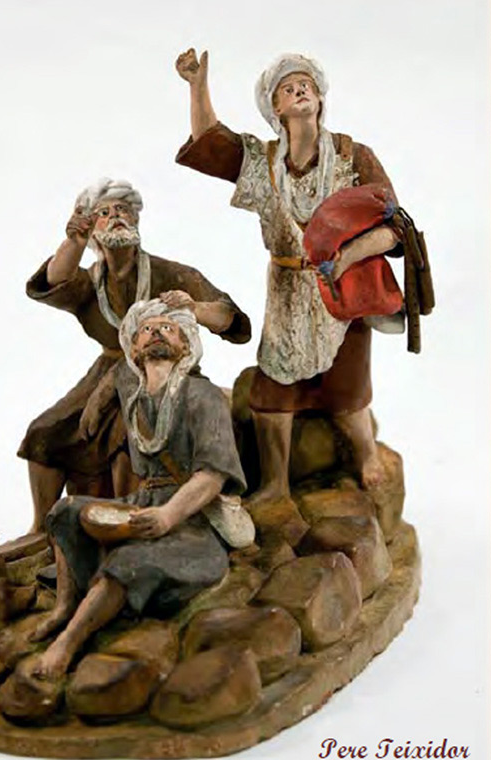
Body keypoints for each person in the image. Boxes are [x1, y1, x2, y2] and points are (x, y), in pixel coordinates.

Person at [175, 49, 402, 543]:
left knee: (349, 387)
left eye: (306, 85)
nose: (299, 90)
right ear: (275, 107)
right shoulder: (264, 162)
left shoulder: (352, 157)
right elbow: (210, 142)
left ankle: (366, 453)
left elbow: (394, 227)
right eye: (287, 88)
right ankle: (275, 483)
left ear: (320, 97)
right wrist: (197, 85)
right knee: (271, 390)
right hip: (285, 289)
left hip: (341, 291)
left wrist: (346, 256)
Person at [27, 298, 247, 679]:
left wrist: (168, 516)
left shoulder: (203, 396)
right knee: (63, 512)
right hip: (142, 501)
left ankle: (68, 644)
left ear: (185, 346)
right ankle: (64, 606)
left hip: (193, 521)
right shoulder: (133, 393)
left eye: (169, 328)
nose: (157, 332)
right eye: (147, 329)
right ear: (134, 347)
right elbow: (116, 373)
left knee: (127, 562)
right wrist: (96, 402)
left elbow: (212, 476)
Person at [18, 178, 250, 534]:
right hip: (106, 368)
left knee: (128, 433)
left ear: (136, 218)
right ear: (92, 228)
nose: (116, 217)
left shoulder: (170, 273)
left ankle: (133, 520)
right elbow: (55, 281)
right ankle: (40, 528)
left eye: (123, 210)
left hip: (165, 370)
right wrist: (74, 243)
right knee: (44, 432)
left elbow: (229, 319)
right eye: (104, 213)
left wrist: (194, 308)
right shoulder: (90, 281)